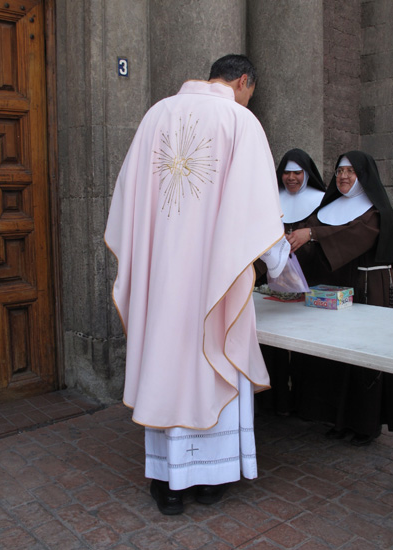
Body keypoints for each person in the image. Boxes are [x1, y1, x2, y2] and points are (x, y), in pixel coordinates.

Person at [105, 54, 289, 515]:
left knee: (166, 362)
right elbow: (258, 212)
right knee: (212, 361)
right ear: (243, 81)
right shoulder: (240, 122)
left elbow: (127, 198)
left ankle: (168, 484)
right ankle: (211, 480)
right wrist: (280, 261)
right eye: (251, 93)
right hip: (214, 283)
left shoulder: (156, 115)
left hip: (162, 280)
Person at [287, 150, 393, 445]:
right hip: (337, 291)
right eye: (340, 171)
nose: (343, 176)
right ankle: (338, 418)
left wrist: (311, 234)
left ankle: (365, 425)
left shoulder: (376, 212)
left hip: (368, 291)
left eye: (350, 171)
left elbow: (352, 236)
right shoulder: (328, 209)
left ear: (363, 176)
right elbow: (311, 243)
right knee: (337, 357)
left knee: (362, 357)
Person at [255, 149, 325, 415]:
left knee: (309, 346)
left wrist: (310, 235)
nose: (291, 178)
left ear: (307, 174)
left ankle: (307, 404)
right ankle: (274, 401)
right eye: (286, 173)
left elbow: (328, 234)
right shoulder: (272, 201)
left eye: (297, 173)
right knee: (271, 342)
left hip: (311, 281)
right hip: (274, 284)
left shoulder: (322, 202)